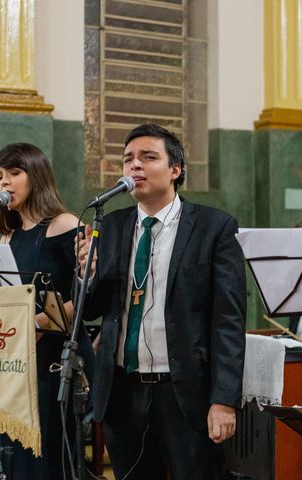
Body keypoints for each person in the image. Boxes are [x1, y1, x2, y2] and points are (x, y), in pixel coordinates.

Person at [78, 124, 247, 479]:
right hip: (123, 392)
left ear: (175, 170)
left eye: (148, 157)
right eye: (128, 160)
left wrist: (224, 400)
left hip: (186, 392)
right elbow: (92, 311)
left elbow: (228, 320)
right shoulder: (109, 226)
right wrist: (86, 276)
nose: (134, 166)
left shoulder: (213, 227)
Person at [0, 143, 94, 479]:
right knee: (17, 457)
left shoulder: (65, 224)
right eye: (0, 176)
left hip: (56, 358)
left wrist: (33, 321)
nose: (4, 182)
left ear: (36, 176)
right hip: (17, 357)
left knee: (49, 457)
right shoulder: (7, 236)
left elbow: (83, 297)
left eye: (14, 173)